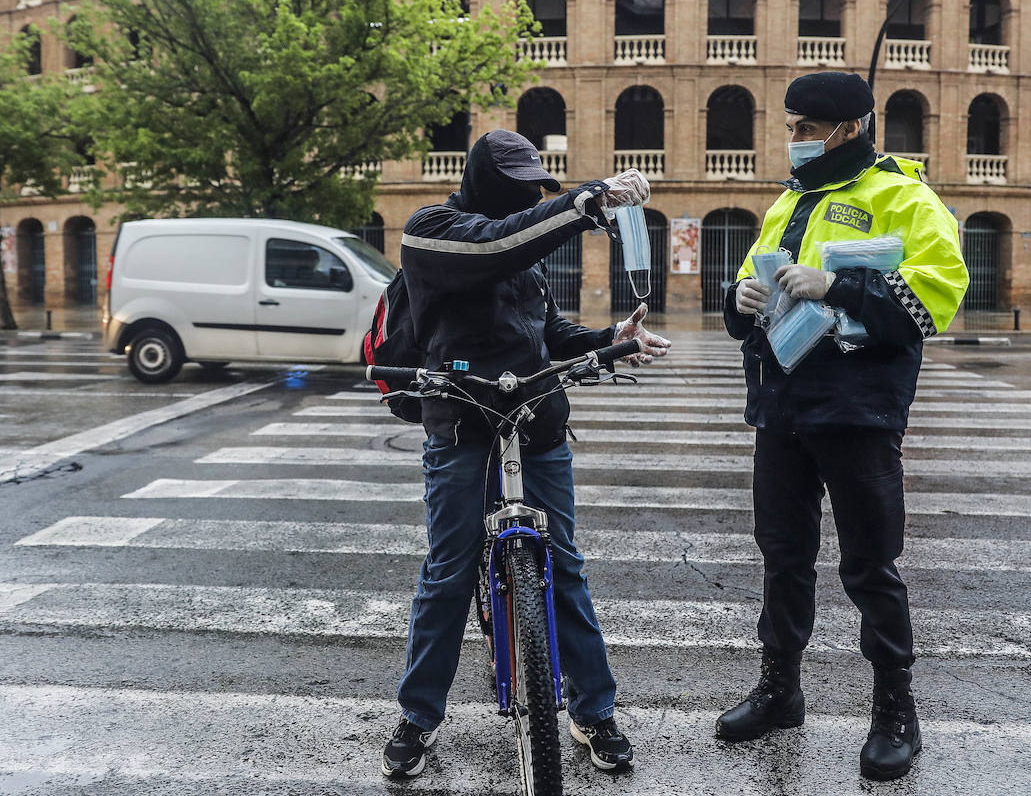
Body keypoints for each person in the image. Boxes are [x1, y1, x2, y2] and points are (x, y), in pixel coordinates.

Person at [382, 129, 672, 779]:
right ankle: (419, 716)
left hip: (537, 419)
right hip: (460, 423)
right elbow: (497, 246)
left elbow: (544, 331)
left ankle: (594, 709)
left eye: (533, 188)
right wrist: (587, 200)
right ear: (484, 180)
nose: (525, 198)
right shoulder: (431, 231)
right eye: (517, 188)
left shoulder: (527, 251)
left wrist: (611, 338)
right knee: (449, 569)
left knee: (563, 563)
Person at [715, 72, 968, 781]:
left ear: (847, 128)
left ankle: (895, 709)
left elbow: (935, 300)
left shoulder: (905, 198)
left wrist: (840, 284)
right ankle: (780, 688)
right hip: (781, 406)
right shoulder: (790, 200)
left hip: (858, 410)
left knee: (869, 566)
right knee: (782, 555)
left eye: (803, 127)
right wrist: (740, 299)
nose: (792, 140)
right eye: (790, 126)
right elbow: (745, 299)